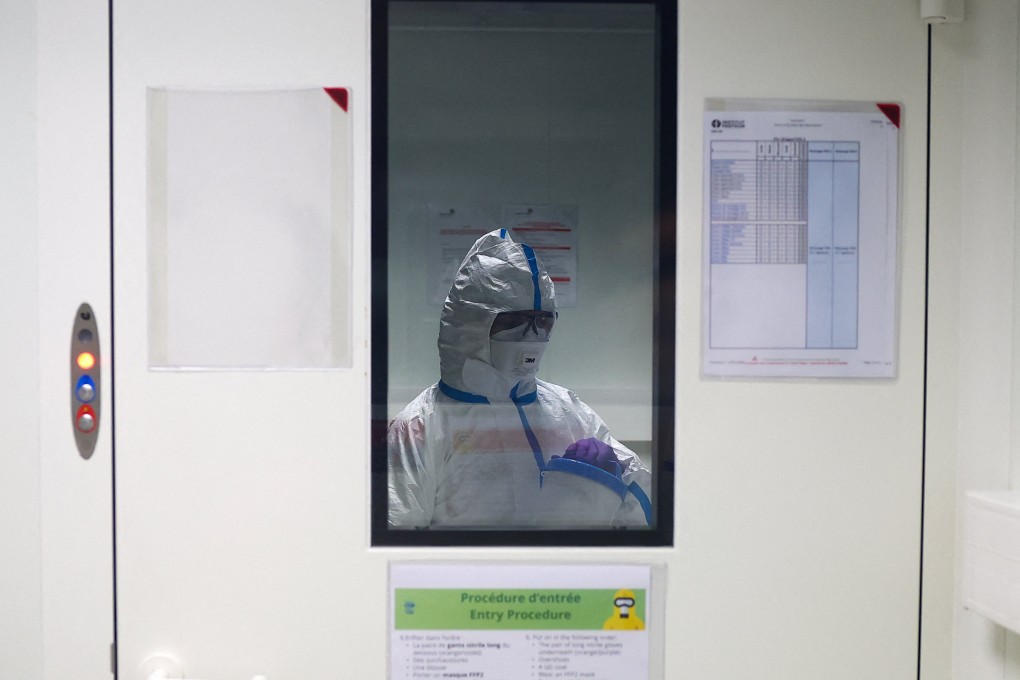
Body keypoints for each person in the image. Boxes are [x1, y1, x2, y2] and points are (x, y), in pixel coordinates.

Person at [387, 228, 652, 529]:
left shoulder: (567, 409)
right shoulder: (422, 425)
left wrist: (594, 495)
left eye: (542, 321)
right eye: (514, 322)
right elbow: (398, 534)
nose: (532, 335)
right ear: (470, 325)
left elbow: (639, 496)